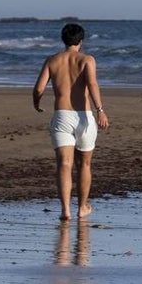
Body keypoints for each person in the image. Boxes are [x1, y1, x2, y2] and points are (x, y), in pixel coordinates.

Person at [32, 23, 110, 221]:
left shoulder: (52, 60)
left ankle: (65, 209)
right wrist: (100, 110)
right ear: (81, 41)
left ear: (63, 39)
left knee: (64, 164)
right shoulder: (87, 60)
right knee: (84, 165)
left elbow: (39, 88)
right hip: (83, 115)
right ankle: (82, 206)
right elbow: (92, 84)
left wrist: (37, 103)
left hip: (62, 116)